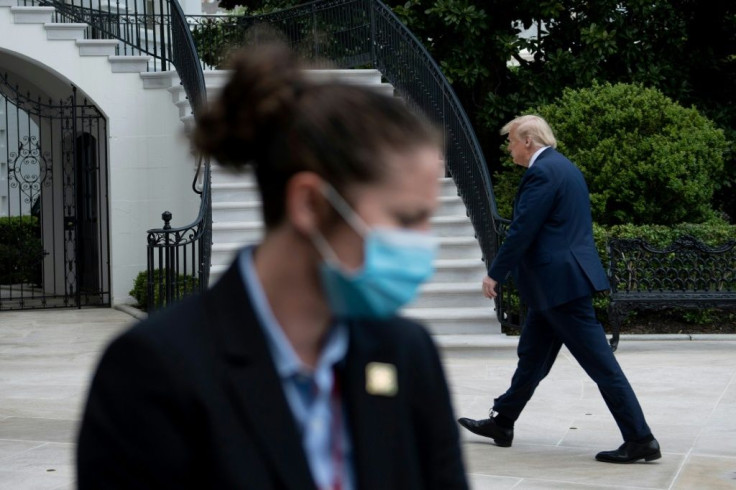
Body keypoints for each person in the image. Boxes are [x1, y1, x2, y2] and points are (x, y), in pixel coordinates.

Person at [77, 44, 468, 489]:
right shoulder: (154, 370)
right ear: (310, 204)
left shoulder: (406, 352)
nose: (423, 244)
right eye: (405, 218)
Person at [457, 115, 660, 464]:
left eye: (511, 142)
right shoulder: (564, 167)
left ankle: (641, 438)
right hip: (552, 286)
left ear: (528, 141)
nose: (509, 150)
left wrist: (496, 273)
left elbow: (523, 230)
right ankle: (503, 422)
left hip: (560, 287)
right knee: (532, 359)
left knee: (602, 366)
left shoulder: (542, 172)